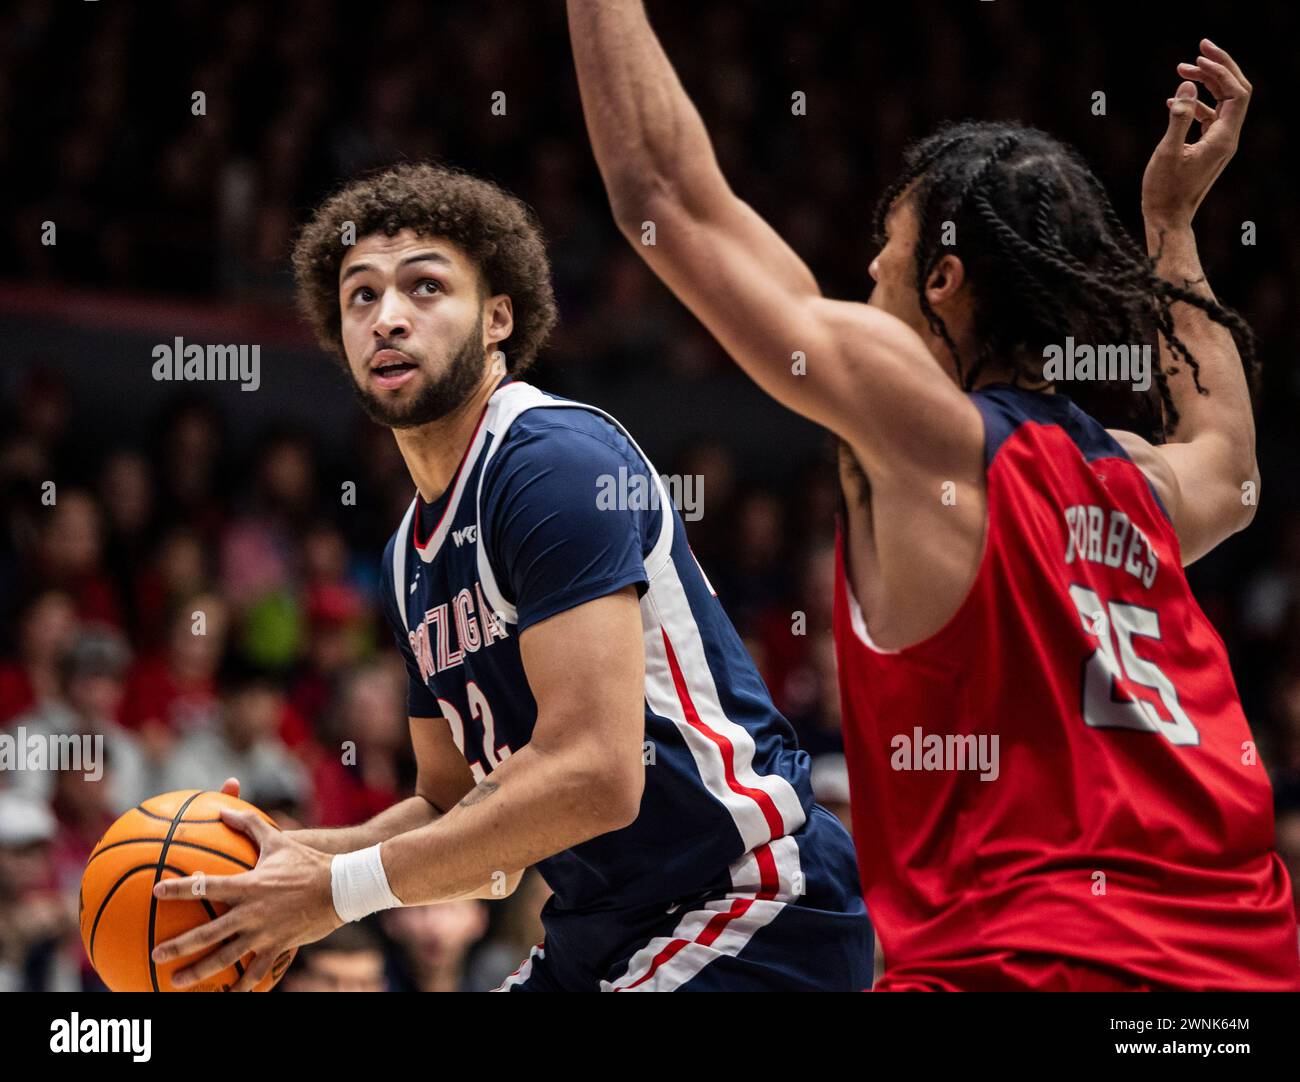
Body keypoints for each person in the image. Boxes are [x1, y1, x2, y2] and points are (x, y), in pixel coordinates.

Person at [567, 7, 1299, 991]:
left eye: (884, 254)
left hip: (1035, 965)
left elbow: (663, 193)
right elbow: (1232, 460)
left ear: (943, 279)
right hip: (1243, 971)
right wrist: (1170, 224)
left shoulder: (931, 442)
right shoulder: (1139, 483)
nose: (865, 276)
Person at [149, 163, 871, 991]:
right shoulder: (404, 555)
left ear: (499, 318)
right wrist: (283, 863)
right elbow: (461, 823)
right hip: (601, 930)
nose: (387, 317)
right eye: (361, 296)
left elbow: (598, 775)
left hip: (748, 906)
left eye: (425, 288)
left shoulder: (551, 462)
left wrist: (334, 891)